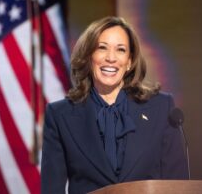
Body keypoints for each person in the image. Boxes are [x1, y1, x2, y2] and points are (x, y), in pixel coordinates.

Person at [41, 16, 188, 194]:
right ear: (89, 56)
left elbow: (177, 185)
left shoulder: (162, 108)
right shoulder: (60, 115)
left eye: (120, 50)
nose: (111, 58)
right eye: (102, 48)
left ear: (130, 61)